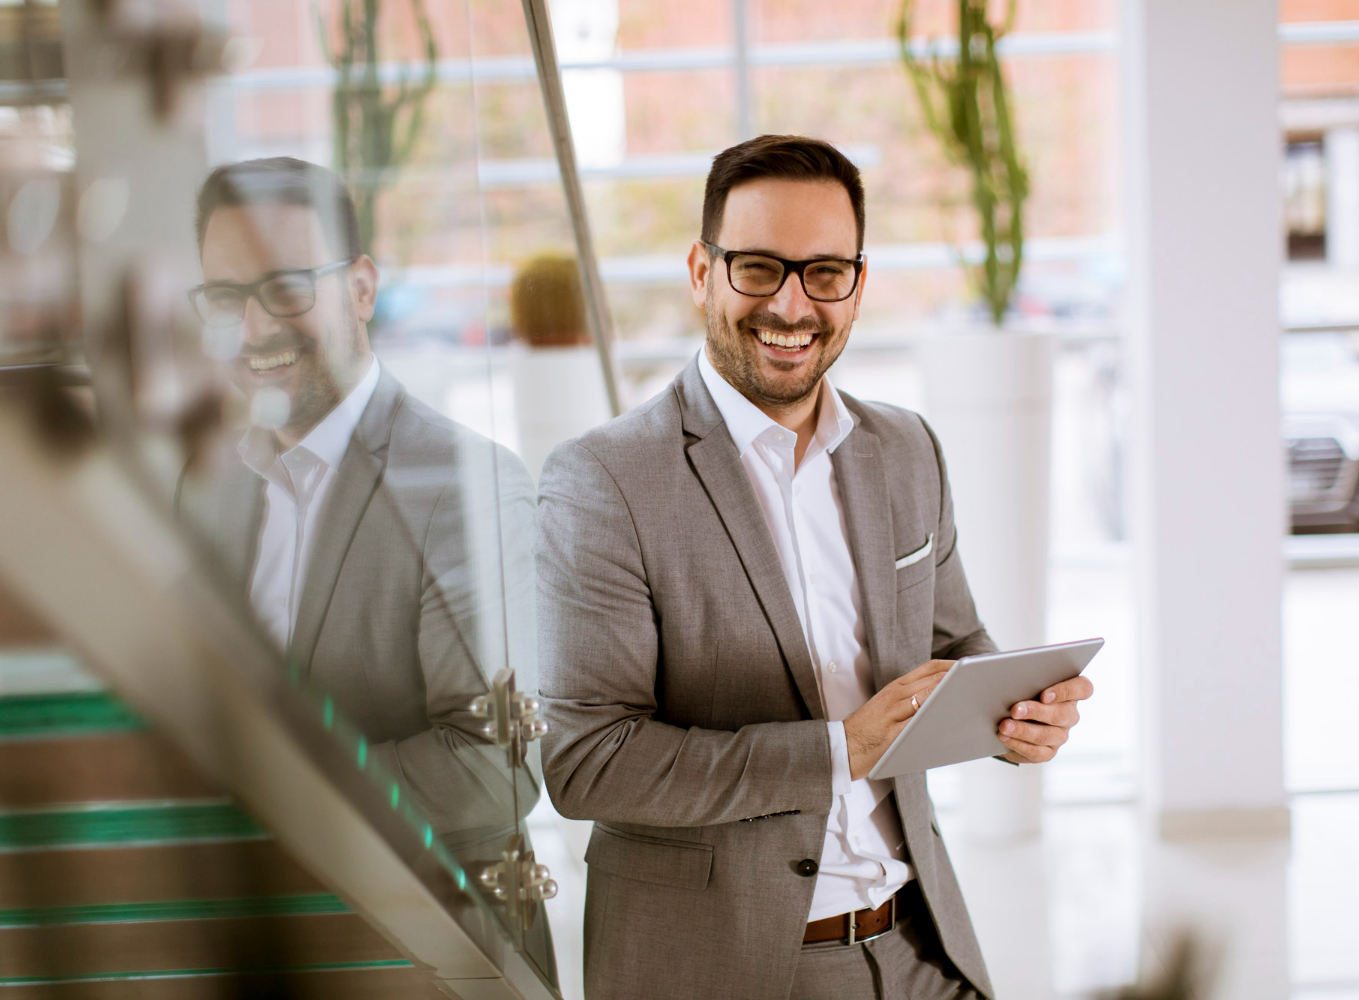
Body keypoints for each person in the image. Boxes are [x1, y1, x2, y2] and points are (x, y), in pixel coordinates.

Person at [537, 135, 1093, 1000]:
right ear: (701, 271)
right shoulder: (604, 481)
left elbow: (954, 643)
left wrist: (1019, 714)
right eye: (758, 268)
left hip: (920, 947)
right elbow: (587, 762)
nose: (793, 306)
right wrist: (842, 750)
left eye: (825, 272)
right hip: (732, 967)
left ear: (859, 285)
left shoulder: (906, 448)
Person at [178, 157, 553, 974]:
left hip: (430, 955)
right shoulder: (210, 485)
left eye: (285, 288)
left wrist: (265, 783)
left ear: (360, 288)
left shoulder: (463, 485)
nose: (251, 329)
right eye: (225, 297)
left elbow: (496, 770)